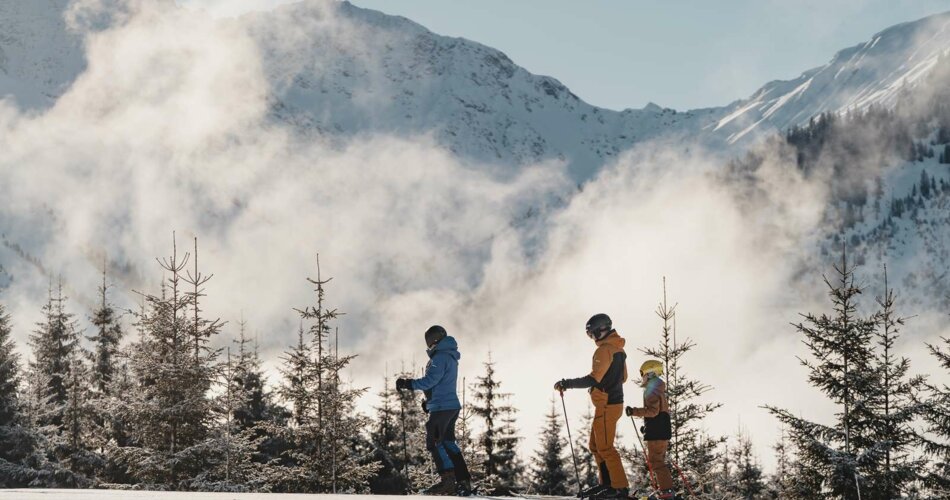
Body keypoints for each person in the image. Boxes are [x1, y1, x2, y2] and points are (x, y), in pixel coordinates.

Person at [554, 313, 629, 499]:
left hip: (607, 404)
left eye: (592, 334)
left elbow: (593, 378)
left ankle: (619, 488)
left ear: (601, 330)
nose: (592, 338)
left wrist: (567, 383)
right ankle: (607, 485)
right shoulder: (618, 349)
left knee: (605, 448)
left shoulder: (604, 350)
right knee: (595, 445)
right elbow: (624, 378)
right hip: (611, 403)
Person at [396, 325, 472, 496]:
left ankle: (448, 482)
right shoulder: (448, 356)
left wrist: (408, 383)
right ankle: (463, 481)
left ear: (434, 340)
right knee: (448, 443)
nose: (428, 345)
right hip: (448, 405)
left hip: (443, 407)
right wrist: (429, 402)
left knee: (434, 442)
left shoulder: (440, 357)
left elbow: (430, 380)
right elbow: (440, 384)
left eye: (429, 341)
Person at [625, 360, 675, 500]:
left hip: (657, 434)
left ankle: (667, 492)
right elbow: (660, 414)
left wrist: (633, 411)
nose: (642, 377)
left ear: (650, 373)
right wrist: (647, 428)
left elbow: (653, 411)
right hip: (662, 432)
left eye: (643, 373)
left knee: (656, 462)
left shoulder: (651, 389)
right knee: (659, 461)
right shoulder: (659, 389)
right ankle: (666, 491)